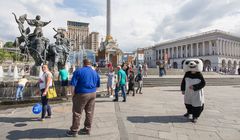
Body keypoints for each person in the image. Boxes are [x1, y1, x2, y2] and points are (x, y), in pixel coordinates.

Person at [66, 59, 100, 137]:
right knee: (89, 112)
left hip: (82, 94)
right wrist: (93, 92)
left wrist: (73, 95)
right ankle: (87, 129)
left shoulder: (78, 71)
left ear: (83, 63)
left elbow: (73, 85)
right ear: (90, 64)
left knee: (77, 112)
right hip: (93, 93)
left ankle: (74, 130)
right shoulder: (95, 72)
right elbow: (98, 85)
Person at [181, 59, 206, 123]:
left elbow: (203, 83)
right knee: (188, 102)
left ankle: (195, 116)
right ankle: (189, 112)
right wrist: (183, 89)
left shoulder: (199, 74)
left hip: (196, 92)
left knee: (197, 104)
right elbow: (183, 82)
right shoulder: (187, 73)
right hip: (188, 92)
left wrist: (195, 87)